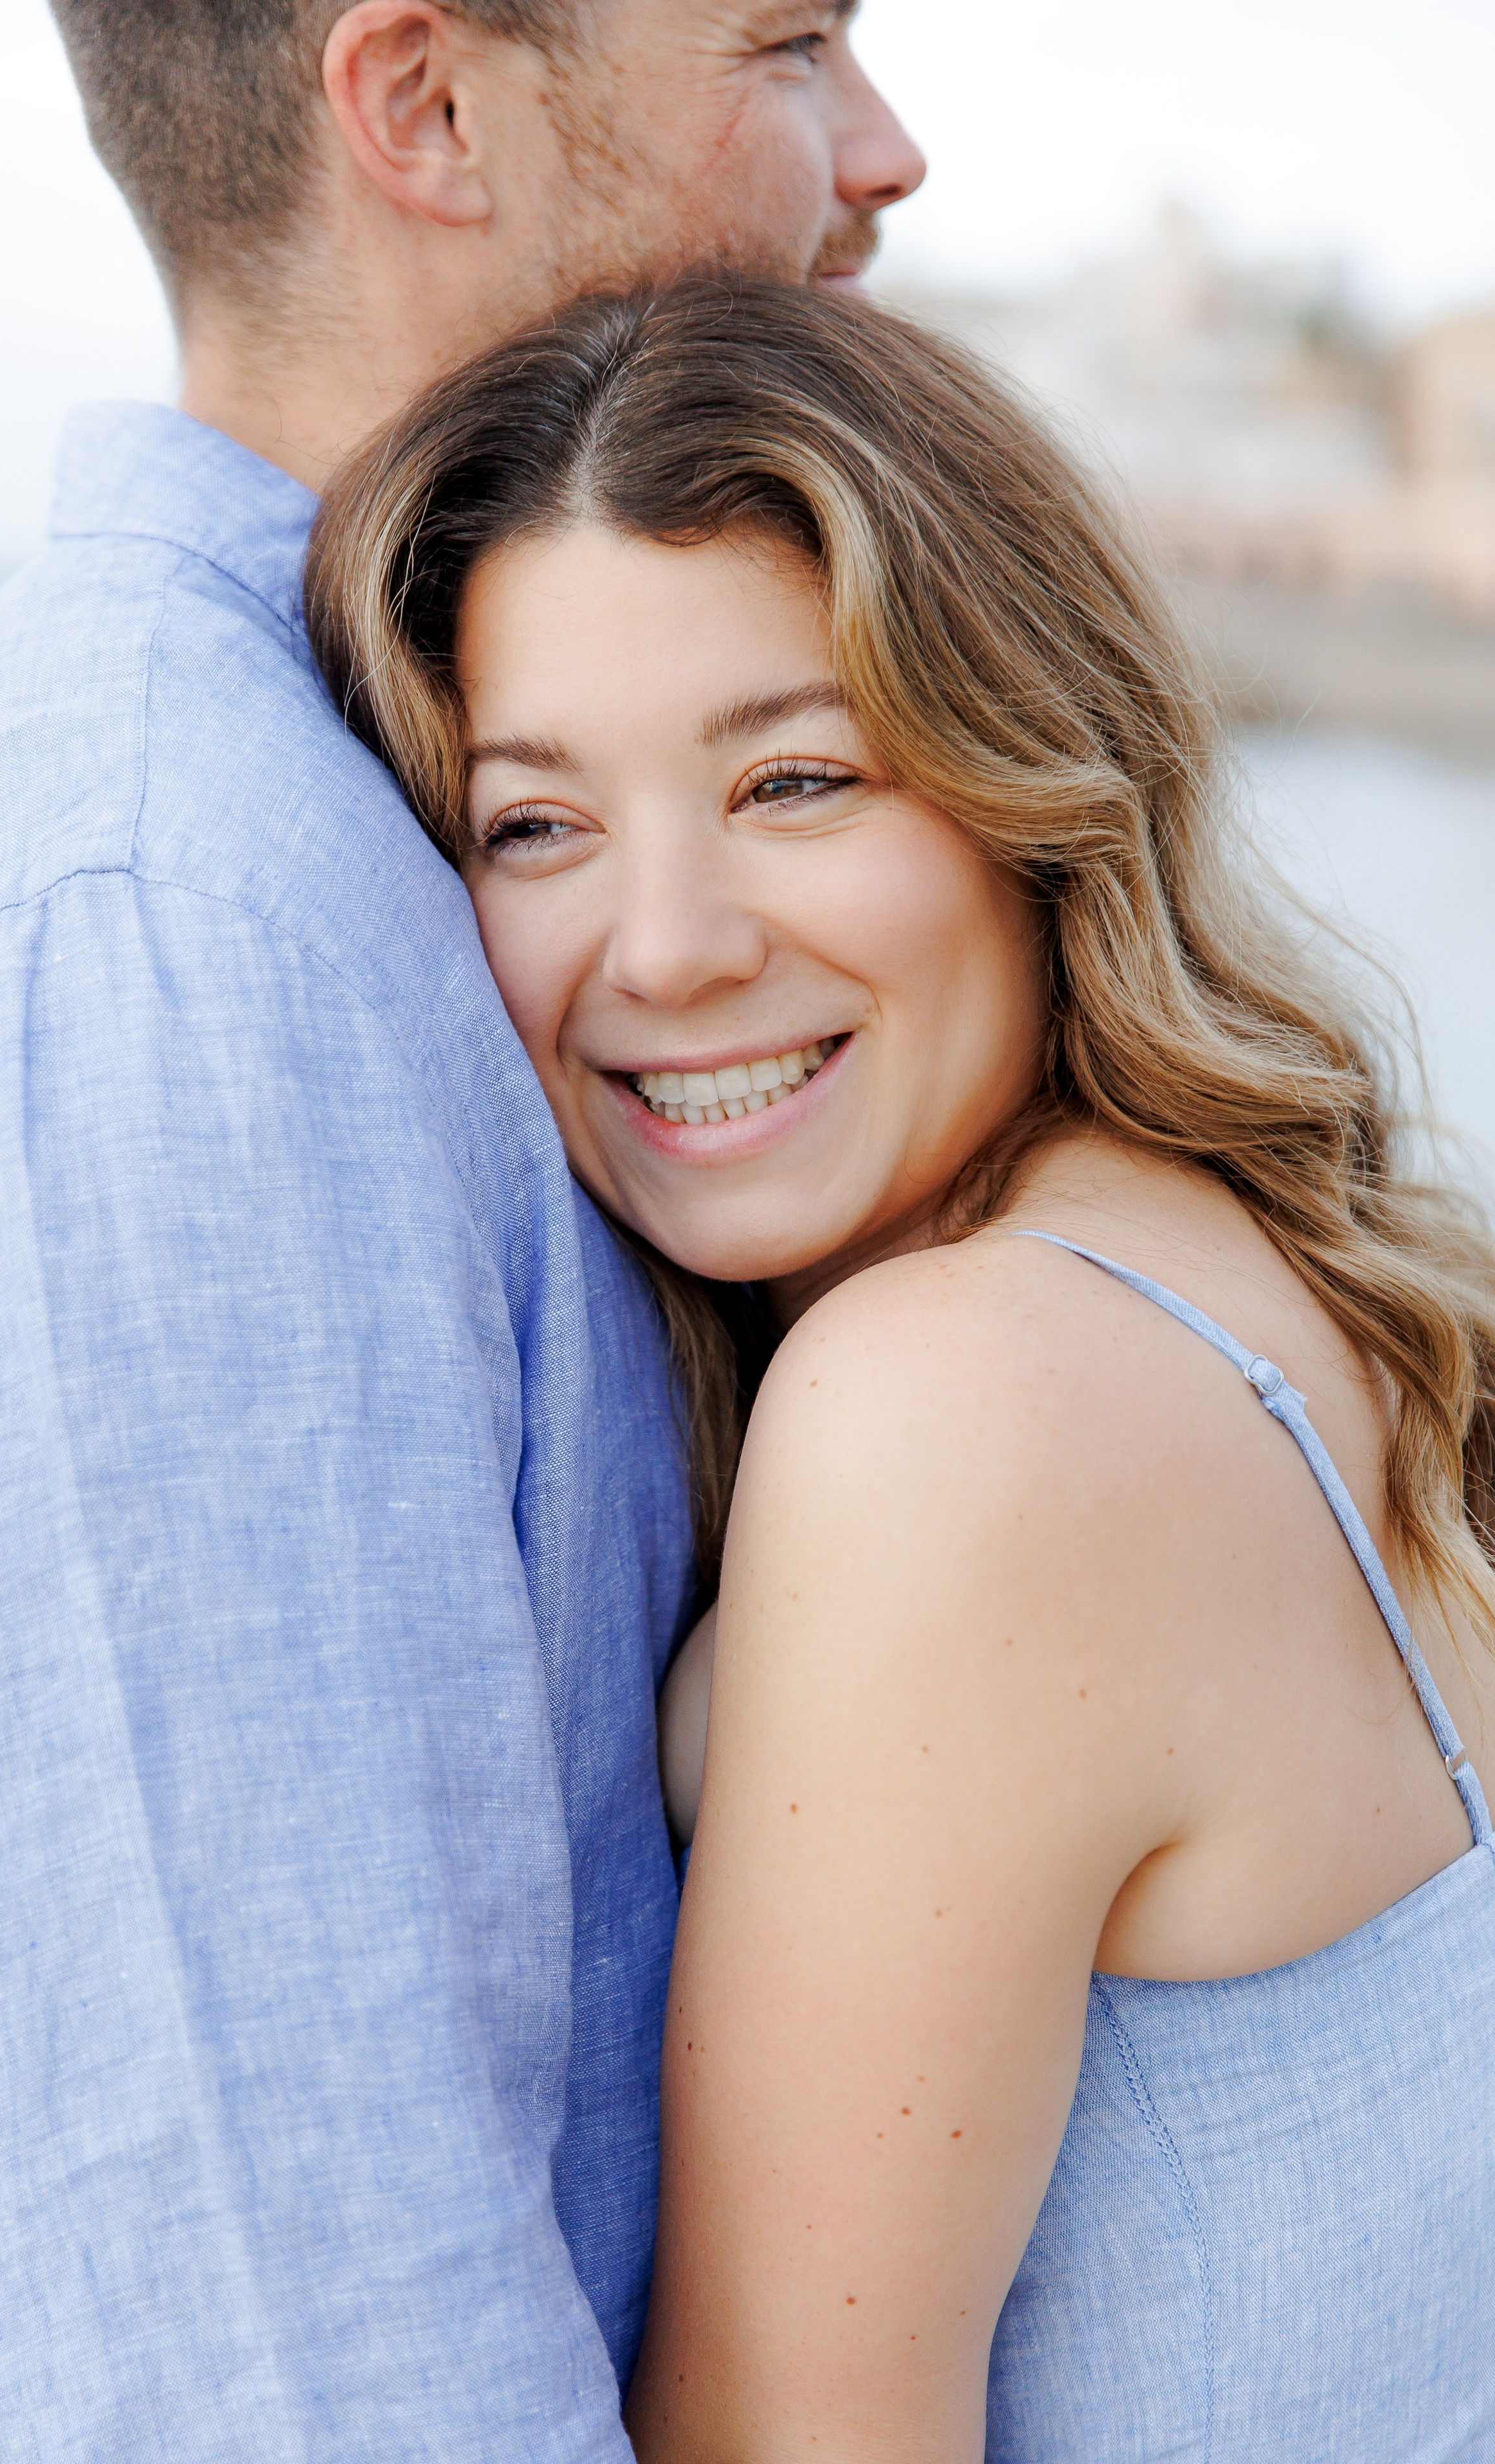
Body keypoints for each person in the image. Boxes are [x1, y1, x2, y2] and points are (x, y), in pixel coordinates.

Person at [0, 10, 923, 2458]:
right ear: (424, 106)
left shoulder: (354, 825)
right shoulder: (163, 944)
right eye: (789, 45)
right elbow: (283, 2329)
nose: (883, 149)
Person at [305, 277, 1495, 2459]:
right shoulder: (1246, 1270)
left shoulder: (964, 1407)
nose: (665, 945)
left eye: (795, 777)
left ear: (1033, 782)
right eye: (535, 825)